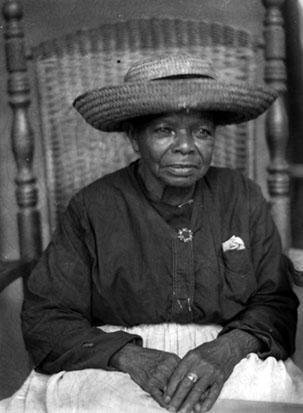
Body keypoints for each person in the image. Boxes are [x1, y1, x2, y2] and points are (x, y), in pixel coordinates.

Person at [3, 55, 303, 413]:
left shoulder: (242, 195)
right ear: (134, 137)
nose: (186, 145)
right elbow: (46, 316)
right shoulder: (93, 207)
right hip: (114, 357)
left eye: (202, 131)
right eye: (164, 130)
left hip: (228, 350)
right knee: (106, 404)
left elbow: (276, 301)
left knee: (264, 398)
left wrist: (226, 351)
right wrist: (131, 358)